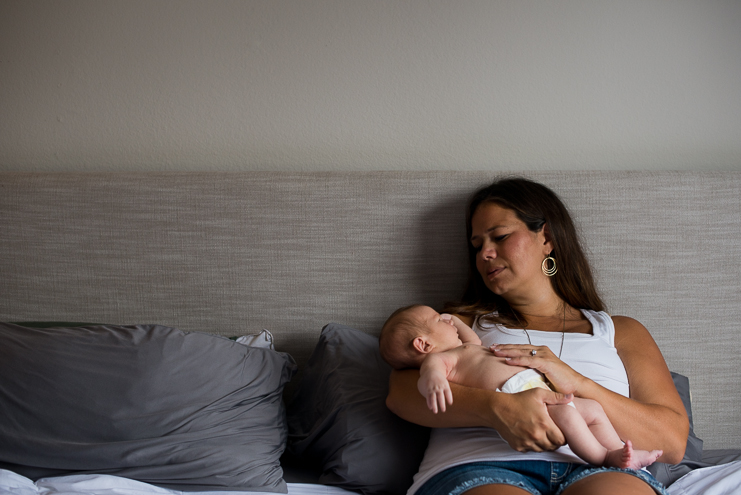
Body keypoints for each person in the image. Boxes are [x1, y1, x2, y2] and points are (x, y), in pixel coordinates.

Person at [385, 178, 689, 495]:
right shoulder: (456, 326)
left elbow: (671, 441)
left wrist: (575, 381)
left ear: (547, 238)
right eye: (477, 246)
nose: (485, 254)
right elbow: (400, 394)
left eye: (500, 237)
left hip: (600, 466)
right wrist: (495, 408)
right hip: (482, 467)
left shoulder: (621, 331)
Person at [379, 304, 663, 470]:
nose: (445, 318)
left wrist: (452, 322)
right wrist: (435, 380)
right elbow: (430, 371)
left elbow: (473, 341)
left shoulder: (467, 347)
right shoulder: (444, 358)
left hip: (538, 386)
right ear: (423, 344)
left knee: (594, 410)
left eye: (501, 236)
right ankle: (600, 456)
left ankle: (618, 450)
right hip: (524, 396)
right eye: (438, 320)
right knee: (568, 417)